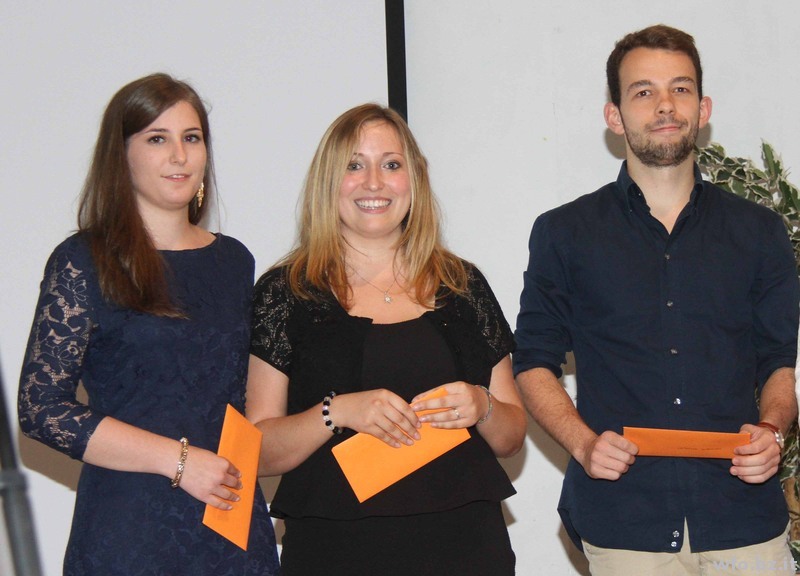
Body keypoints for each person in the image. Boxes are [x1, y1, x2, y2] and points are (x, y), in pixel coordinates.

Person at [514, 24, 799, 576]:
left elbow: (777, 363)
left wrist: (771, 430)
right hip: (625, 523)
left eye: (681, 88)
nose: (665, 105)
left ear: (703, 108)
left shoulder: (760, 232)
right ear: (614, 115)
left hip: (743, 518)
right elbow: (532, 362)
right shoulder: (564, 233)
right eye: (643, 91)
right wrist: (582, 444)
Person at [247, 103, 527, 575]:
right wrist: (336, 412)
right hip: (335, 555)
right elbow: (256, 450)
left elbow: (512, 437)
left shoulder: (462, 285)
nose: (374, 182)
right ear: (327, 181)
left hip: (466, 550)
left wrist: (483, 405)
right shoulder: (286, 292)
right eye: (354, 165)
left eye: (391, 165)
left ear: (414, 178)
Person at [17, 73, 279, 575]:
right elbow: (40, 408)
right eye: (157, 139)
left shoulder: (234, 261)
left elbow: (242, 400)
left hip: (230, 524)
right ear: (121, 155)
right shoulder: (84, 259)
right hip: (129, 527)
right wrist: (179, 461)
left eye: (191, 138)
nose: (179, 155)